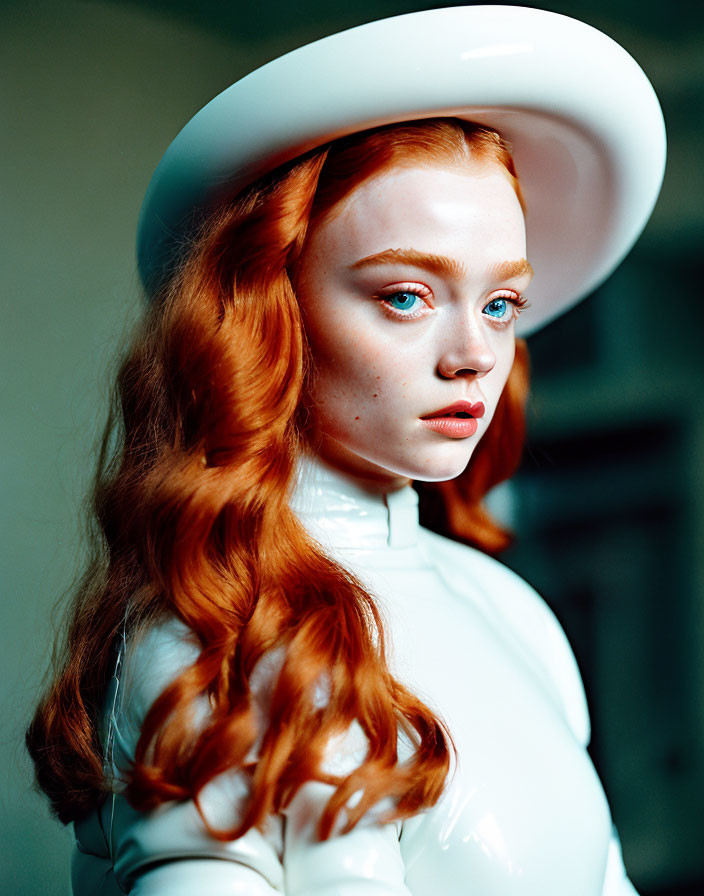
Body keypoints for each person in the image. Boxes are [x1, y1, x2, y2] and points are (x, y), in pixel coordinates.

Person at [26, 6, 665, 895]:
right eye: (406, 295)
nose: (475, 354)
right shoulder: (212, 641)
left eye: (499, 305)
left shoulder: (513, 614)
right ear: (269, 311)